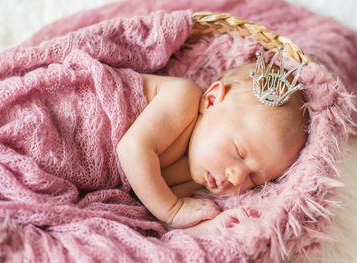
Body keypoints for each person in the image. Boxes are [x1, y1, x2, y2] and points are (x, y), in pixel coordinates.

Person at [116, 60, 308, 234]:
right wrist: (173, 210)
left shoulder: (195, 179)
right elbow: (131, 149)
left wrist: (210, 226)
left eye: (254, 178)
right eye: (239, 153)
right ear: (212, 99)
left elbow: (158, 215)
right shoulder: (182, 97)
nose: (238, 177)